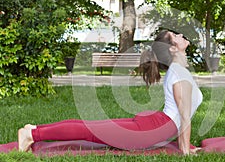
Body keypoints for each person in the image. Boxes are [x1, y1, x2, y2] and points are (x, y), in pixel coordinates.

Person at [18, 30, 203, 155]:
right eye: (175, 36)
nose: (180, 34)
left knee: (91, 127)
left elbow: (182, 117)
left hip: (156, 126)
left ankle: (34, 130)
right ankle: (32, 134)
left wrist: (186, 147)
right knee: (90, 129)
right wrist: (185, 151)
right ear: (172, 48)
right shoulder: (179, 72)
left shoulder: (180, 71)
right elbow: (184, 117)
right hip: (153, 129)